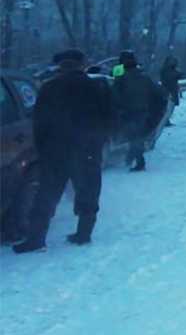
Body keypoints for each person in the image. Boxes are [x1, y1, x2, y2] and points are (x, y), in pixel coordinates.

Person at [13, 49, 114, 253]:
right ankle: (83, 234)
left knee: (47, 194)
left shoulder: (49, 88)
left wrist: (43, 150)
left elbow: (39, 123)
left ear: (61, 66)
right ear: (82, 65)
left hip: (55, 150)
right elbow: (111, 118)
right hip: (87, 150)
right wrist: (99, 141)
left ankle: (36, 238)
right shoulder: (96, 87)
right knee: (88, 191)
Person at [112, 51, 166, 172]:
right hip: (143, 111)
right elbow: (157, 93)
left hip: (127, 111)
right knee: (137, 136)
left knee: (133, 136)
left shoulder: (121, 78)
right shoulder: (145, 77)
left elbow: (115, 95)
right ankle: (131, 158)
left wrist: (118, 108)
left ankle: (138, 162)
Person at [159, 55, 183, 126]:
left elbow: (179, 75)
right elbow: (172, 77)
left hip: (172, 90)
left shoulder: (170, 69)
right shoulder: (166, 70)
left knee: (170, 107)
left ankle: (166, 120)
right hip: (168, 90)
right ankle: (165, 121)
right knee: (168, 107)